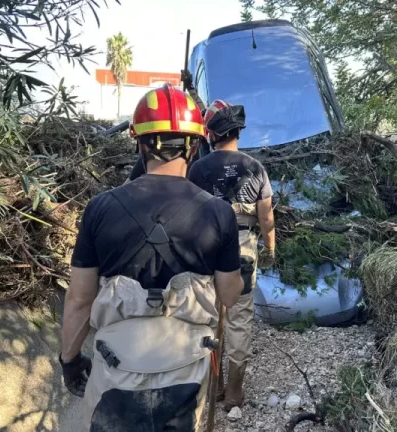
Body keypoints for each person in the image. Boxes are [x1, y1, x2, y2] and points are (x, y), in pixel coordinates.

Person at [59, 84, 244, 431]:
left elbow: (80, 299)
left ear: (140, 143)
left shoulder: (100, 208)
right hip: (186, 371)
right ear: (194, 144)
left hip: (117, 370)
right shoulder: (218, 213)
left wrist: (69, 359)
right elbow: (230, 297)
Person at [187, 99, 276, 412]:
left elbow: (187, 214)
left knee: (209, 320)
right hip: (242, 248)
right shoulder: (256, 168)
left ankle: (213, 389)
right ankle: (235, 393)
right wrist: (270, 247)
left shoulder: (197, 169)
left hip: (207, 247)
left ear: (211, 134)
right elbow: (266, 218)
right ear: (237, 131)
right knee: (238, 319)